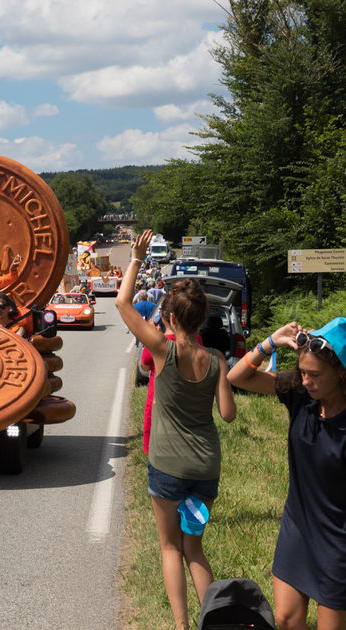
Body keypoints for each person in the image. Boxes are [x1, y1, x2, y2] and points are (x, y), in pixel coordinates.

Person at [227, 318, 346, 629]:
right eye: (302, 372)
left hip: (339, 546)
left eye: (314, 374)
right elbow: (237, 377)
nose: (306, 380)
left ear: (341, 373)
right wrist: (270, 341)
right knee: (284, 620)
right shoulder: (301, 397)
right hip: (297, 529)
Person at [116, 229, 236, 630]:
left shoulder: (162, 349)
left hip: (167, 466)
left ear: (168, 317)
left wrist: (135, 258)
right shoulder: (217, 358)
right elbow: (228, 413)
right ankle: (214, 621)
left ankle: (182, 625)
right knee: (194, 549)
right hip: (206, 468)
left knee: (170, 547)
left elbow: (121, 302)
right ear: (202, 318)